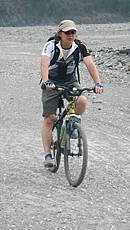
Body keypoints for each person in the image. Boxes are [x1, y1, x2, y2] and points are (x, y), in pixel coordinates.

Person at [40, 19, 104, 167]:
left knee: (81, 101)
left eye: (73, 32)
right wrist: (46, 80)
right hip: (52, 82)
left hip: (70, 81)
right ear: (60, 34)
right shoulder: (51, 45)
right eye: (67, 32)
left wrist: (97, 83)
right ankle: (48, 155)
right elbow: (44, 63)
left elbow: (90, 64)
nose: (71, 35)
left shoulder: (80, 47)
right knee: (50, 118)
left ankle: (73, 123)